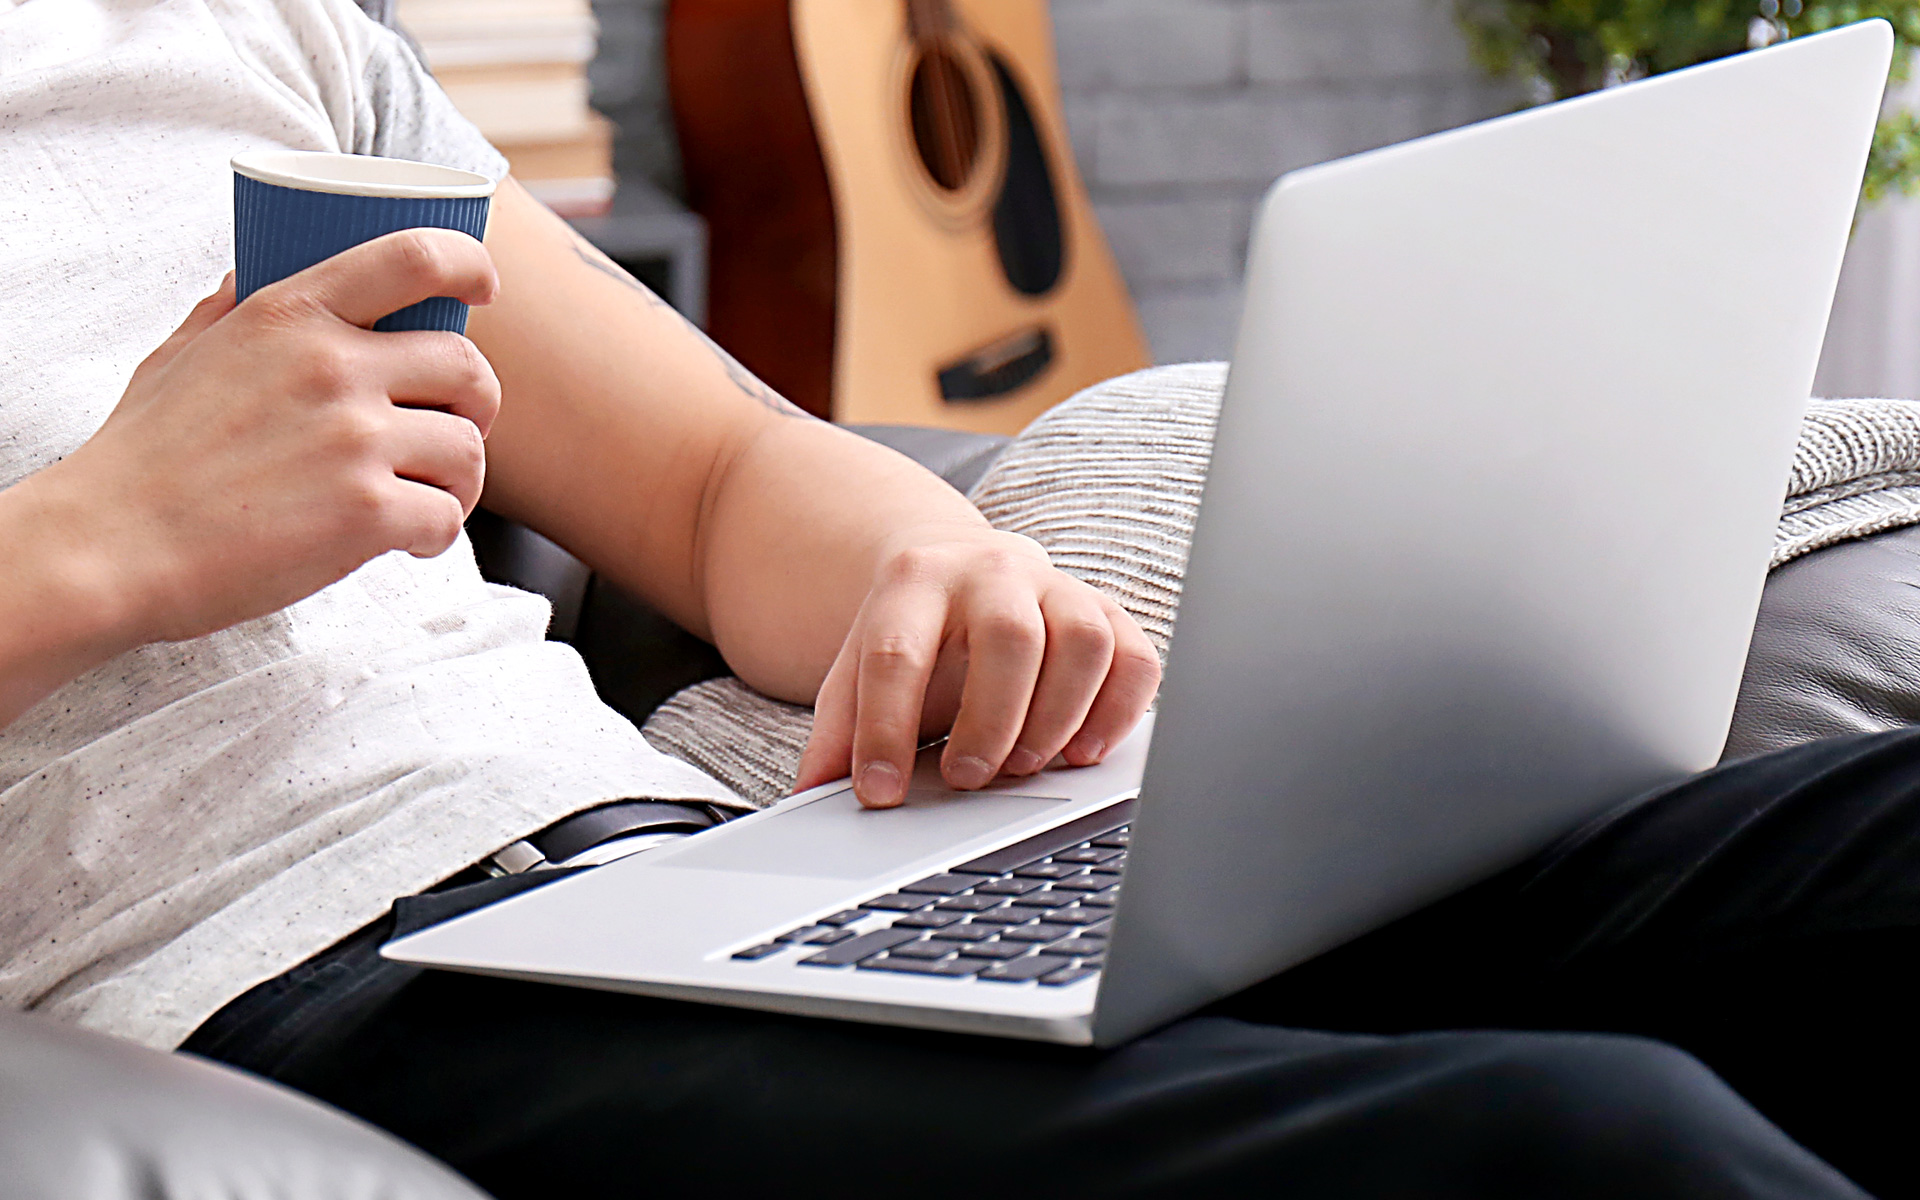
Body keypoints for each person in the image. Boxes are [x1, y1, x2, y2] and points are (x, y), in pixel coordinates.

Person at [2, 1, 1916, 1196]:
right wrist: (102, 537)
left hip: (697, 876)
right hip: (290, 992)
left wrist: (933, 570)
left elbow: (716, 473)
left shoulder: (227, 32)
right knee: (1587, 1152)